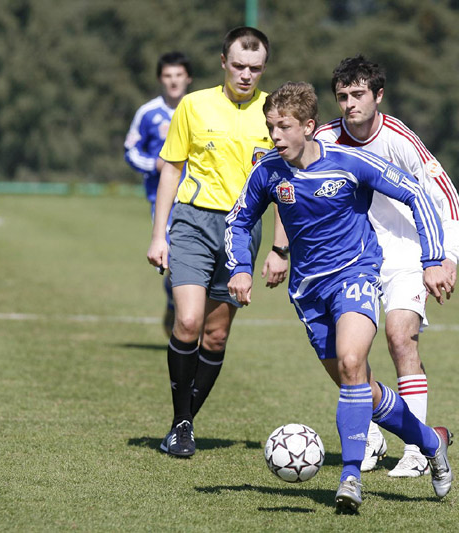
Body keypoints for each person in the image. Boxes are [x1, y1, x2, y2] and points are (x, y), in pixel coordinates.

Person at [225, 82, 454, 513]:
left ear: (309, 126)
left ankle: (350, 478)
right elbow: (238, 221)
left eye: (284, 127)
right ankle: (430, 442)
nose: (275, 135)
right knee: (360, 387)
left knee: (351, 362)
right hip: (308, 293)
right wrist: (240, 267)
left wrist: (433, 259)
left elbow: (416, 193)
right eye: (271, 126)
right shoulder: (267, 171)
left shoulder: (350, 162)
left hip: (356, 275)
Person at [314, 55, 459, 477]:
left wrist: (446, 256)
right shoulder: (324, 139)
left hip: (405, 255)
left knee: (401, 337)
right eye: (342, 96)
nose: (350, 104)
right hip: (351, 259)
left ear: (378, 95)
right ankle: (371, 434)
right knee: (348, 355)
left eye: (358, 94)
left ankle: (417, 450)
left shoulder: (400, 139)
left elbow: (446, 198)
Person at [146, 27, 289, 458]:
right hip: (192, 221)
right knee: (188, 322)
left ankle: (182, 424)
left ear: (264, 68)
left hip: (242, 230)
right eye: (239, 65)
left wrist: (280, 249)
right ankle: (182, 423)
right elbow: (171, 169)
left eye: (255, 68)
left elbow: (285, 185)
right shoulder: (193, 105)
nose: (246, 75)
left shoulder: (274, 113)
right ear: (223, 62)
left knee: (216, 336)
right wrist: (158, 234)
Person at [124, 51, 193, 337]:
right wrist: (154, 165)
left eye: (178, 75)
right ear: (160, 79)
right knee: (174, 260)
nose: (173, 81)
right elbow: (131, 151)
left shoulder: (199, 109)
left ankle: (192, 317)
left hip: (200, 198)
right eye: (167, 76)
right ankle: (176, 305)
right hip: (164, 201)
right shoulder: (148, 113)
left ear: (188, 78)